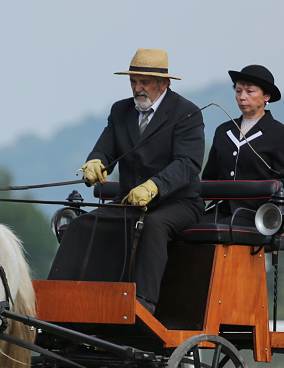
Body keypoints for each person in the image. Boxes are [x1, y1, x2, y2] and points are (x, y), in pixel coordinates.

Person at [75, 48, 205, 314]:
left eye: (144, 82)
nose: (137, 88)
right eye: (133, 81)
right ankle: (71, 298)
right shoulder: (120, 110)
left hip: (178, 203)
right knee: (84, 224)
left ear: (164, 83)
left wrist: (154, 186)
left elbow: (188, 164)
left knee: (153, 225)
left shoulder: (188, 113)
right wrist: (95, 162)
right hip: (128, 201)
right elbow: (106, 149)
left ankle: (143, 305)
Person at [202, 65, 284, 215]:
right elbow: (209, 177)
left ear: (266, 96)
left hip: (257, 215)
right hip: (219, 212)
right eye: (238, 91)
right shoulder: (223, 131)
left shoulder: (280, 134)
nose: (242, 97)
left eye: (249, 91)